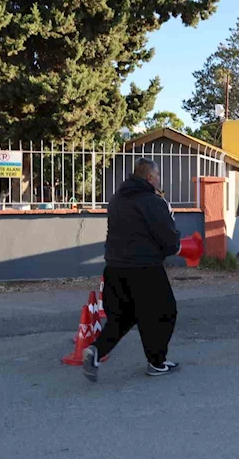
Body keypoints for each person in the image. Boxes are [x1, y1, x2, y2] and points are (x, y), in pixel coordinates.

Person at [82, 158, 181, 382]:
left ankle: (96, 351)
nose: (159, 180)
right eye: (158, 176)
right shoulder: (152, 202)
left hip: (115, 268)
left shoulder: (117, 200)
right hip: (145, 269)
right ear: (150, 177)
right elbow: (168, 238)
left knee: (122, 317)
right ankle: (156, 362)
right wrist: (175, 245)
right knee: (165, 313)